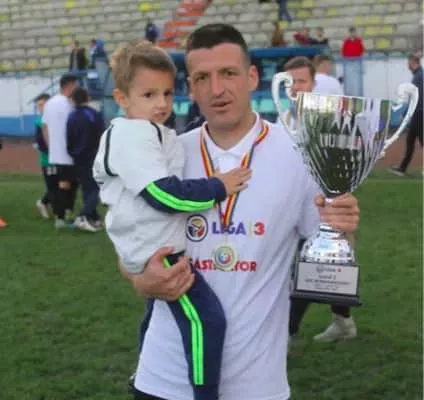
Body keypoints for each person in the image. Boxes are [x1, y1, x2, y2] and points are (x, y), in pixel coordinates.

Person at [118, 24, 360, 400]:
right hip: (163, 380)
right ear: (191, 87)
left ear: (252, 78)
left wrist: (343, 227)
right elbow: (129, 244)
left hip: (256, 385)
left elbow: (331, 254)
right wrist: (140, 281)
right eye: (202, 78)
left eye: (228, 73)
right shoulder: (165, 155)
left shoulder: (300, 155)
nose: (217, 89)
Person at [93, 40, 252, 400]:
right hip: (158, 250)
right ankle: (205, 395)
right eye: (149, 95)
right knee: (206, 319)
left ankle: (143, 370)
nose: (162, 104)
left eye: (167, 93)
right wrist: (218, 187)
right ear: (121, 98)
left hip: (152, 244)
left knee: (157, 314)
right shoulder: (131, 134)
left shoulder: (150, 131)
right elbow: (163, 195)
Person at [281, 56, 357, 342]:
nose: (295, 87)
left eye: (301, 81)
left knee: (307, 265)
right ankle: (343, 321)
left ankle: (287, 332)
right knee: (326, 268)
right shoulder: (284, 117)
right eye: (290, 82)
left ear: (313, 84)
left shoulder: (327, 120)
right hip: (289, 205)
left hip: (320, 207)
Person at [42, 74, 79, 229]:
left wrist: (51, 146)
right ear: (70, 86)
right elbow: (74, 128)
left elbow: (44, 126)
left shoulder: (50, 103)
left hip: (56, 153)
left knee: (65, 184)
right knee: (67, 185)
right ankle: (61, 217)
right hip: (68, 153)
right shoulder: (69, 104)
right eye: (76, 85)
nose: (77, 88)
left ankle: (64, 214)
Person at [67, 87, 104, 232]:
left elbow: (69, 137)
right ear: (87, 98)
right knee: (97, 187)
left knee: (87, 187)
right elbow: (101, 134)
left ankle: (93, 218)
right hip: (92, 155)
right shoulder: (93, 114)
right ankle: (83, 216)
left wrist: (72, 152)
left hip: (78, 157)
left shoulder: (72, 116)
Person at [389, 53, 423, 176]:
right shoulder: (418, 75)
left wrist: (406, 112)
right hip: (418, 113)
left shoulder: (419, 76)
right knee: (410, 140)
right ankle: (402, 168)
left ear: (413, 62)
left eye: (408, 62)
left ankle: (402, 168)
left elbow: (417, 98)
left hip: (419, 113)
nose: (407, 65)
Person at [34, 93, 58, 220]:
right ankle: (54, 210)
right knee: (53, 186)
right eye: (38, 105)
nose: (40, 108)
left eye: (42, 104)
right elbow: (43, 143)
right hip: (48, 160)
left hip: (57, 158)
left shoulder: (52, 118)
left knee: (57, 185)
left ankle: (45, 203)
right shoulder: (40, 121)